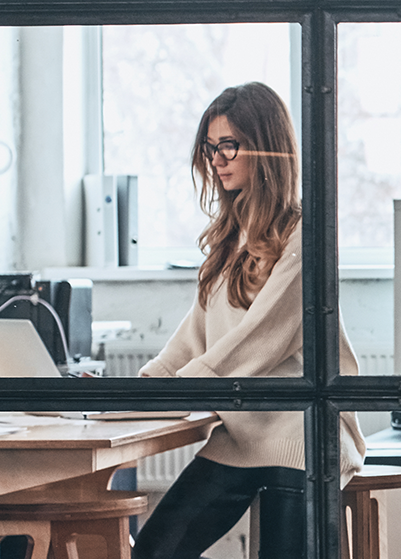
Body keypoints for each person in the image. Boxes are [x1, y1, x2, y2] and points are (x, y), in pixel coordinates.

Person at [133, 82, 368, 559]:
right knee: (153, 552)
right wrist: (127, 394)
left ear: (267, 150)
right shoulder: (228, 240)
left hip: (298, 439)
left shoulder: (305, 234)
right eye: (210, 148)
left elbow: (255, 343)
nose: (216, 160)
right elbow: (190, 344)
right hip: (239, 439)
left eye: (228, 146)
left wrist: (176, 390)